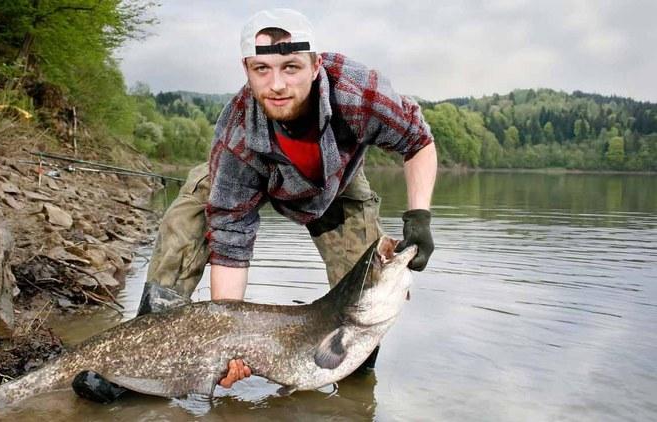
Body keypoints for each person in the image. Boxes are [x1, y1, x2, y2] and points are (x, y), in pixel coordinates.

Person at [72, 8, 437, 402]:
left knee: (367, 285)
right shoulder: (236, 135)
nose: (276, 84)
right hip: (249, 177)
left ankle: (355, 371)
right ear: (246, 69)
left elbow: (418, 142)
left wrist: (419, 215)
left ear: (316, 65)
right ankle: (141, 356)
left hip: (335, 185)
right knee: (189, 217)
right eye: (261, 69)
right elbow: (230, 240)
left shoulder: (360, 94)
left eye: (290, 67)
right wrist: (225, 344)